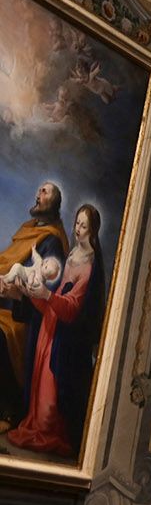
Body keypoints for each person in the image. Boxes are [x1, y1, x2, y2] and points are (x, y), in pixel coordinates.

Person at [5, 203, 105, 459]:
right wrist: (29, 292)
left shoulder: (91, 265)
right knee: (39, 385)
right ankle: (36, 426)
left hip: (64, 335)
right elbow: (55, 296)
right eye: (77, 224)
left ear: (93, 231)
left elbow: (71, 308)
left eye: (84, 226)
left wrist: (46, 294)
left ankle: (47, 433)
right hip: (50, 327)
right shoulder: (72, 256)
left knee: (50, 396)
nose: (78, 230)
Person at [0, 182, 67, 432]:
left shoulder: (52, 242)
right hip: (8, 306)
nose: (38, 194)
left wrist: (17, 295)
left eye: (45, 192)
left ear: (54, 205)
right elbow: (7, 264)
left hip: (30, 321)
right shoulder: (26, 230)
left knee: (1, 336)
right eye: (39, 190)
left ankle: (9, 411)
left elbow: (49, 292)